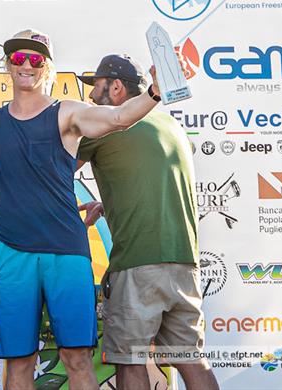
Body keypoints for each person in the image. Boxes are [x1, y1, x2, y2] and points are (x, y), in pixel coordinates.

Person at [0, 30, 163, 390]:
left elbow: (118, 119)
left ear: (47, 67)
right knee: (19, 362)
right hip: (12, 254)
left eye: (36, 59)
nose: (27, 65)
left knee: (77, 358)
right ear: (8, 66)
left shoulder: (66, 113)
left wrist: (156, 91)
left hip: (65, 253)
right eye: (18, 58)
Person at [76, 55, 219, 390]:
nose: (92, 97)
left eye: (96, 87)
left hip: (138, 264)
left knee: (130, 362)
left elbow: (56, 171)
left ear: (116, 87)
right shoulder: (170, 125)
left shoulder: (107, 124)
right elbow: (149, 179)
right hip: (184, 265)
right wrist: (111, 203)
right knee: (192, 361)